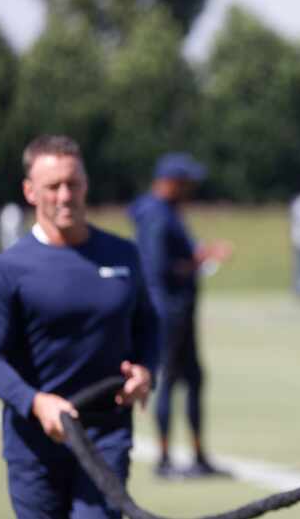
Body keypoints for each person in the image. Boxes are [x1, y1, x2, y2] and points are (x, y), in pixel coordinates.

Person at [0, 135, 159, 519]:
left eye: (72, 183)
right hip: (34, 445)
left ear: (86, 185)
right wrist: (36, 403)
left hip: (105, 437)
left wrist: (146, 372)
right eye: (52, 186)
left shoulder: (124, 255)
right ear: (30, 192)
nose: (64, 195)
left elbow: (149, 327)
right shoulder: (9, 270)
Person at [128, 152, 232, 478]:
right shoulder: (158, 215)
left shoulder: (165, 211)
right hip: (168, 311)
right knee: (170, 381)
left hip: (178, 310)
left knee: (194, 379)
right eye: (186, 183)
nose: (191, 189)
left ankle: (198, 456)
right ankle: (163, 460)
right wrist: (201, 258)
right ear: (171, 182)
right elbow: (159, 267)